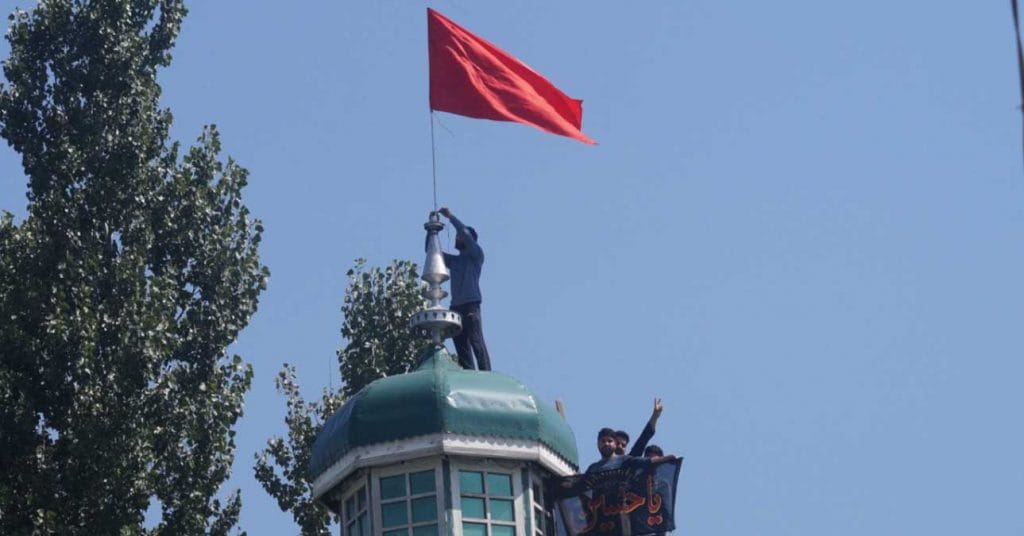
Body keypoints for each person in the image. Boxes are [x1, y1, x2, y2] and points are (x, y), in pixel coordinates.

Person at [437, 207, 491, 371]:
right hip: (456, 307)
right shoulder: (455, 262)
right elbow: (432, 253)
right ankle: (470, 376)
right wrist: (431, 230)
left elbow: (465, 234)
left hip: (470, 306)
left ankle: (486, 375)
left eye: (459, 236)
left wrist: (450, 217)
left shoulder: (476, 255)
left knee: (476, 342)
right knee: (462, 348)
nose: (457, 237)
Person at [587, 427, 676, 474]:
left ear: (614, 443)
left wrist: (666, 459)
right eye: (603, 441)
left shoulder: (625, 461)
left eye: (609, 441)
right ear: (598, 444)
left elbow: (647, 460)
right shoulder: (593, 468)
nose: (606, 444)